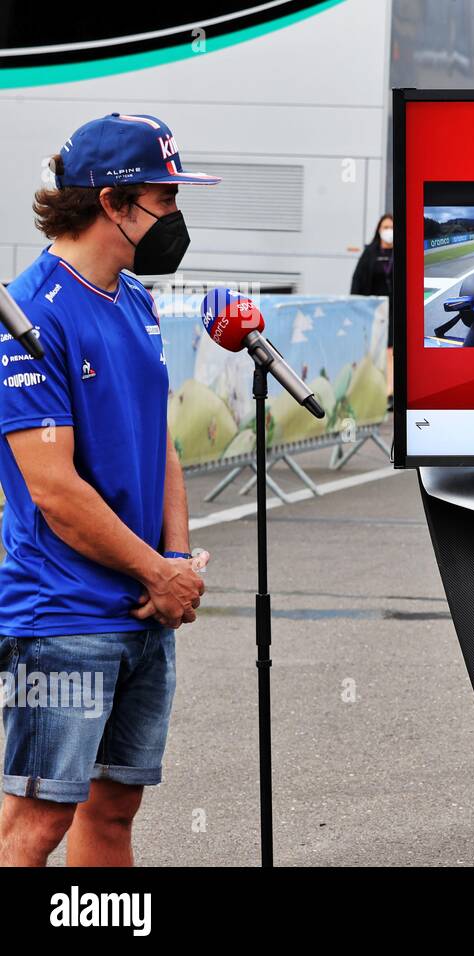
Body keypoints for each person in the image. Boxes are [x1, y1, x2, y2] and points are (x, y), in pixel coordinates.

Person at [0, 113, 210, 866]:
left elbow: (162, 447)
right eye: (165, 197)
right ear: (113, 202)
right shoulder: (26, 315)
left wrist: (176, 564)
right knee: (36, 823)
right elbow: (54, 491)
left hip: (146, 609)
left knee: (114, 810)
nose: (178, 217)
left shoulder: (136, 300)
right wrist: (156, 571)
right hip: (61, 617)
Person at [350, 214, 395, 410]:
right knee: (373, 350)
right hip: (373, 310)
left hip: (394, 309)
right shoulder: (369, 253)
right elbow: (358, 280)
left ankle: (390, 392)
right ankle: (371, 391)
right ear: (379, 229)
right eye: (385, 227)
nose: (388, 231)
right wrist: (356, 304)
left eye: (392, 227)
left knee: (391, 351)